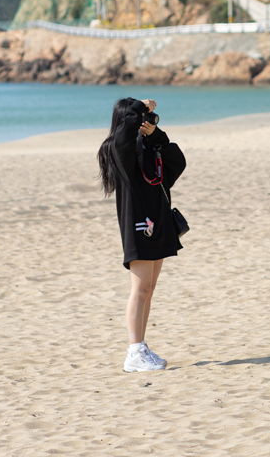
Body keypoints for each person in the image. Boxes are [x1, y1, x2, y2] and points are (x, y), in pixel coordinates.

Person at [98, 97, 183, 373]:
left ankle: (141, 347)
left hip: (158, 222)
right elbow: (123, 133)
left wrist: (156, 135)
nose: (143, 120)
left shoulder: (147, 146)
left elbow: (177, 162)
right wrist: (138, 105)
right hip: (138, 223)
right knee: (141, 288)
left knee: (149, 289)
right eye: (139, 117)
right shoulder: (119, 149)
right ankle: (134, 351)